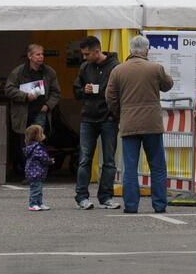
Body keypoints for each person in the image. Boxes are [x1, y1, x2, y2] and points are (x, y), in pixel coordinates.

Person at [106, 35, 174, 214]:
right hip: (152, 123)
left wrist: (119, 113)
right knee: (157, 166)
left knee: (130, 167)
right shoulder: (155, 68)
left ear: (130, 50)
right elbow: (168, 85)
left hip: (129, 123)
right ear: (147, 50)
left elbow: (110, 97)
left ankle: (131, 206)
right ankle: (159, 205)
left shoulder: (118, 70)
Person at [73, 36, 121, 210]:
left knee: (109, 160)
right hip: (88, 118)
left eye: (87, 54)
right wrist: (83, 90)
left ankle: (106, 197)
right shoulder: (85, 67)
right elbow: (76, 90)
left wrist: (114, 115)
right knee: (85, 159)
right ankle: (81, 197)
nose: (84, 58)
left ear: (96, 50)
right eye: (83, 54)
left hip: (108, 119)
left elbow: (118, 93)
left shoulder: (116, 67)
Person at [5, 44, 62, 176]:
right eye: (38, 54)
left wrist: (48, 105)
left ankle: (37, 172)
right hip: (23, 113)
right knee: (24, 143)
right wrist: (25, 96)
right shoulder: (19, 72)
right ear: (30, 56)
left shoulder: (49, 72)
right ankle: (26, 171)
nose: (41, 57)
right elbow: (8, 89)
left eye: (42, 54)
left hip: (40, 112)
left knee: (38, 142)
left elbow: (56, 92)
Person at [23, 124, 54, 211]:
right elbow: (43, 157)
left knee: (38, 189)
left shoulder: (31, 147)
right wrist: (50, 161)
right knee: (36, 189)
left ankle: (39, 203)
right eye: (42, 133)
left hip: (34, 172)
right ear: (37, 136)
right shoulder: (37, 147)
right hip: (36, 172)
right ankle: (33, 204)